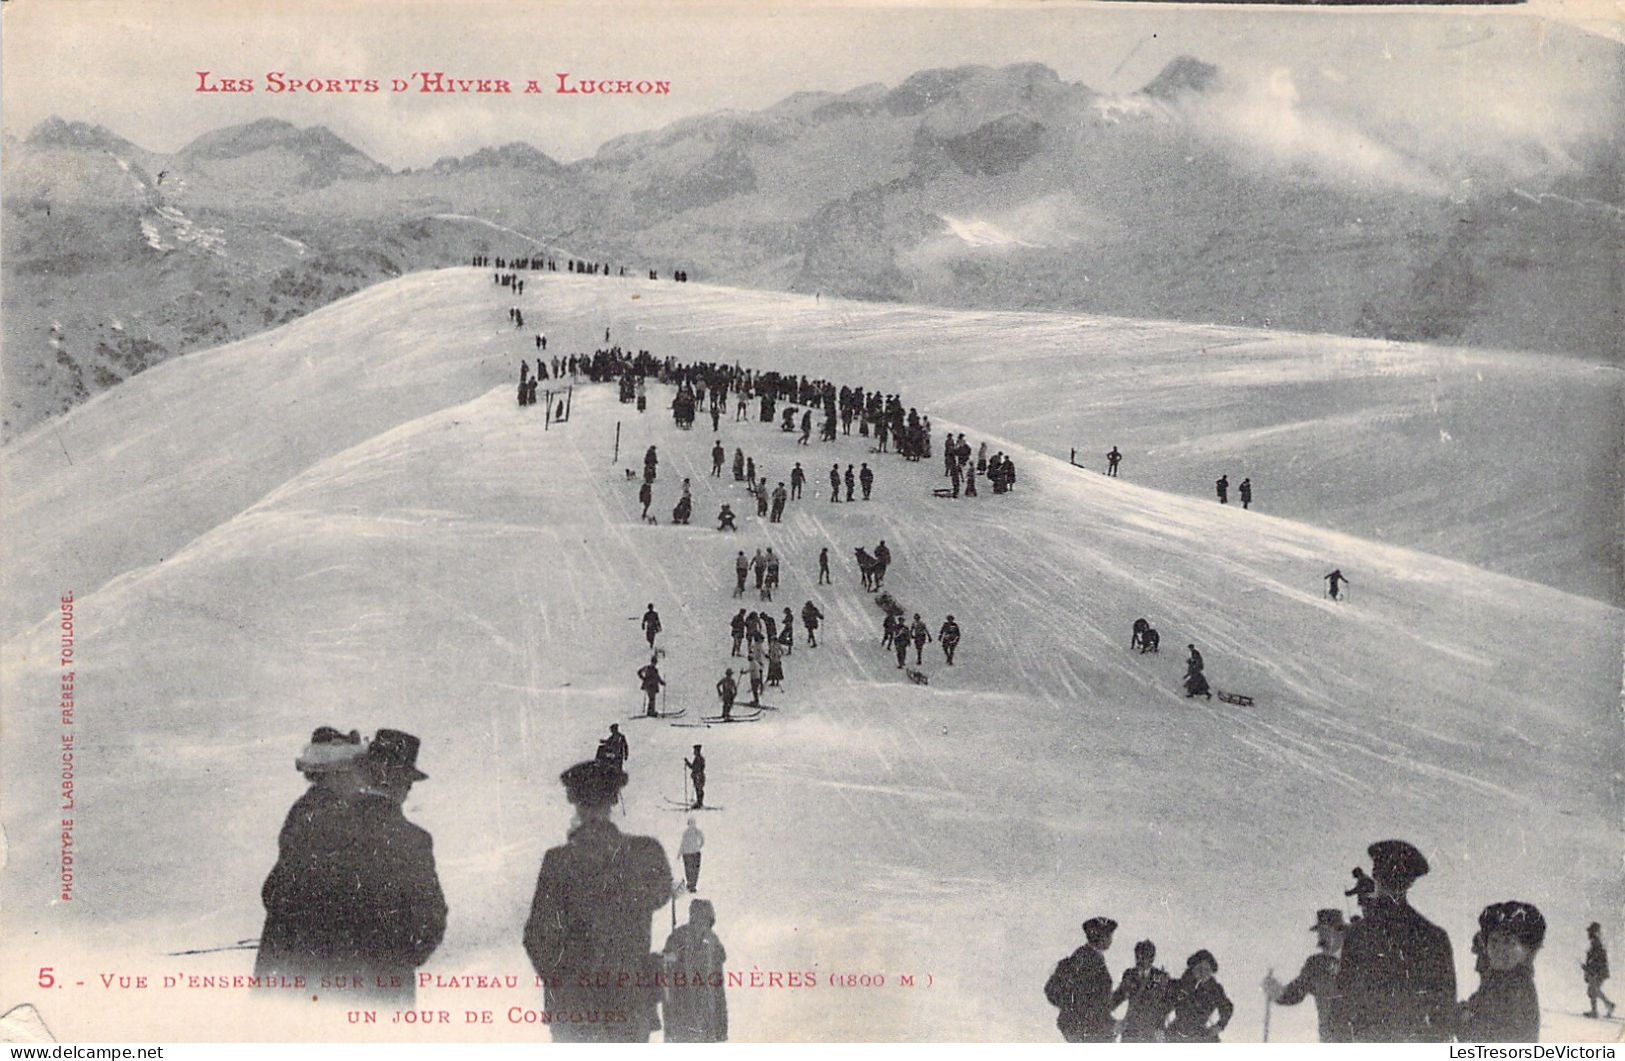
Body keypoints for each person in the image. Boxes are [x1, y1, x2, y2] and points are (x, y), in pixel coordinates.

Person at [258, 729, 447, 1004]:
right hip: (383, 997)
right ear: (404, 785)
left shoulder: (316, 825)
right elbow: (429, 925)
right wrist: (392, 962)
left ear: (364, 774)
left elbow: (275, 894)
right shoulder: (414, 841)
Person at [522, 759, 672, 1042]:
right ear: (614, 798)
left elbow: (537, 937)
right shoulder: (645, 852)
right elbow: (661, 893)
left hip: (575, 1010)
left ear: (573, 799)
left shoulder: (558, 861)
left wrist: (566, 984)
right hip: (630, 1004)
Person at [1332, 840, 1456, 1041]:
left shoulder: (1357, 935)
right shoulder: (1434, 936)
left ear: (1375, 878)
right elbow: (1445, 1018)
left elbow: (1340, 1010)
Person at [1457, 901, 1545, 1041]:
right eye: (1494, 940)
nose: (1500, 949)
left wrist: (1464, 1019)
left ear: (1527, 951)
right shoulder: (1497, 979)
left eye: (1509, 942)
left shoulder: (1516, 987)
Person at [1263, 908, 1347, 1041]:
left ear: (1340, 932)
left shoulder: (1357, 958)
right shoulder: (1315, 965)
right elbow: (1295, 993)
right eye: (1320, 932)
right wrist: (1276, 991)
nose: (1320, 937)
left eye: (1326, 931)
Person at [661, 899, 728, 1042]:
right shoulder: (679, 938)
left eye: (705, 921)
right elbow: (668, 985)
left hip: (702, 1020)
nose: (701, 926)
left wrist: (721, 1029)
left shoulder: (711, 941)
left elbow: (718, 989)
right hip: (687, 1017)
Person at [1045, 916, 1118, 1042]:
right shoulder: (1086, 959)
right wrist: (1074, 1013)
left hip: (1089, 1029)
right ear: (1100, 938)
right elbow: (1090, 1001)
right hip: (1087, 1031)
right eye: (1108, 935)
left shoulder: (1089, 957)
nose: (1111, 939)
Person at [1112, 939, 1173, 1042]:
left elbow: (1168, 1003)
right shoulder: (1129, 974)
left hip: (1152, 1029)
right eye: (1138, 957)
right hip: (1132, 1028)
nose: (1140, 960)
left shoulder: (1160, 976)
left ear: (1152, 958)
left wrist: (1161, 1026)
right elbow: (1118, 997)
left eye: (1144, 957)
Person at [1165, 950, 1233, 1042]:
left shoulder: (1214, 990)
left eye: (1206, 970)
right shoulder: (1181, 984)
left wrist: (1220, 1025)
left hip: (1201, 1035)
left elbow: (1227, 1007)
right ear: (1192, 969)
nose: (1202, 973)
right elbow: (1164, 1005)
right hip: (1177, 1033)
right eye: (1199, 969)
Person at [1585, 922, 1615, 1019]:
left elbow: (1595, 958)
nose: (1588, 933)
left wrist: (1588, 967)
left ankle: (1597, 1010)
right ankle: (1608, 1005)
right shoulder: (1597, 942)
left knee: (1593, 990)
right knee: (1593, 990)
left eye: (1590, 931)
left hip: (1597, 971)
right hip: (1598, 971)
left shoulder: (1596, 943)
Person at [678, 818, 705, 892]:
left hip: (687, 853)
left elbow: (682, 844)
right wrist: (698, 847)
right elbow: (702, 840)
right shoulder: (697, 831)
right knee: (695, 869)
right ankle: (693, 885)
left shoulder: (685, 832)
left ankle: (690, 884)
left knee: (688, 869)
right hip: (695, 853)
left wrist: (679, 853)